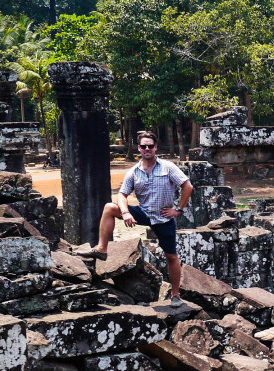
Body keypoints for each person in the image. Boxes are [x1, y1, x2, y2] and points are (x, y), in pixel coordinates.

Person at [77, 131, 194, 307]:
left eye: (150, 146)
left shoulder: (168, 167)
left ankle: (175, 294)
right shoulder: (133, 172)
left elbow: (187, 186)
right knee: (110, 208)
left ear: (155, 148)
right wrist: (125, 212)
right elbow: (122, 195)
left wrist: (178, 209)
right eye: (144, 146)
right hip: (144, 212)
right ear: (138, 148)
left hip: (163, 217)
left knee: (171, 256)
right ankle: (102, 248)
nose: (147, 149)